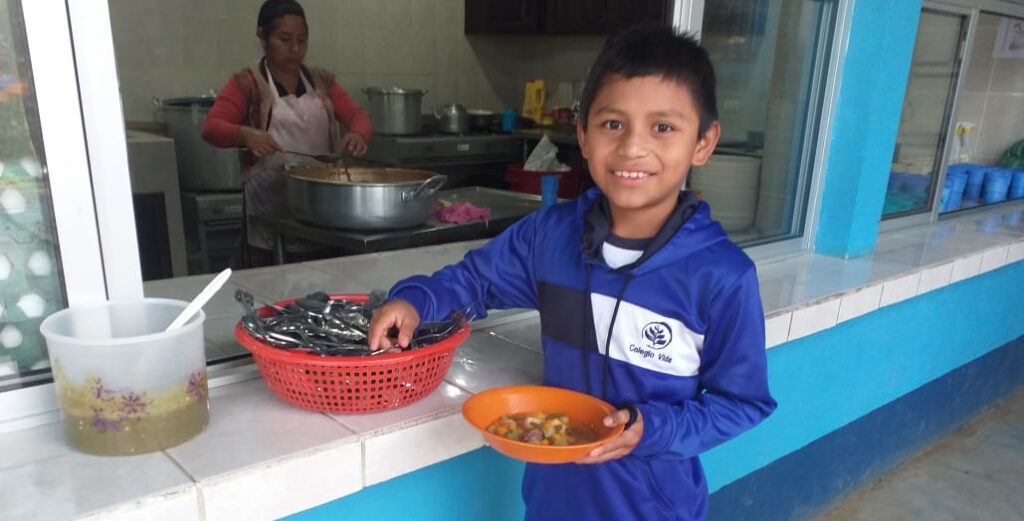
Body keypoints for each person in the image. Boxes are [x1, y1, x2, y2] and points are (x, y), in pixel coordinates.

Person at [368, 26, 776, 521]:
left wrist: (655, 429)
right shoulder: (548, 238)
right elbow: (472, 281)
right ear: (583, 135)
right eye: (612, 124)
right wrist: (413, 301)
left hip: (652, 509)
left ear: (703, 142)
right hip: (552, 503)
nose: (632, 148)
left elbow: (743, 402)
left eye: (663, 127)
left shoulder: (722, 276)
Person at [201, 0, 371, 267]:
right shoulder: (247, 84)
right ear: (262, 37)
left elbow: (356, 115)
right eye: (285, 39)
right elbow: (211, 127)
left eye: (302, 40)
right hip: (270, 215)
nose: (295, 49)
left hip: (321, 212)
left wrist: (359, 134)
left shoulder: (321, 82)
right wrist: (246, 135)